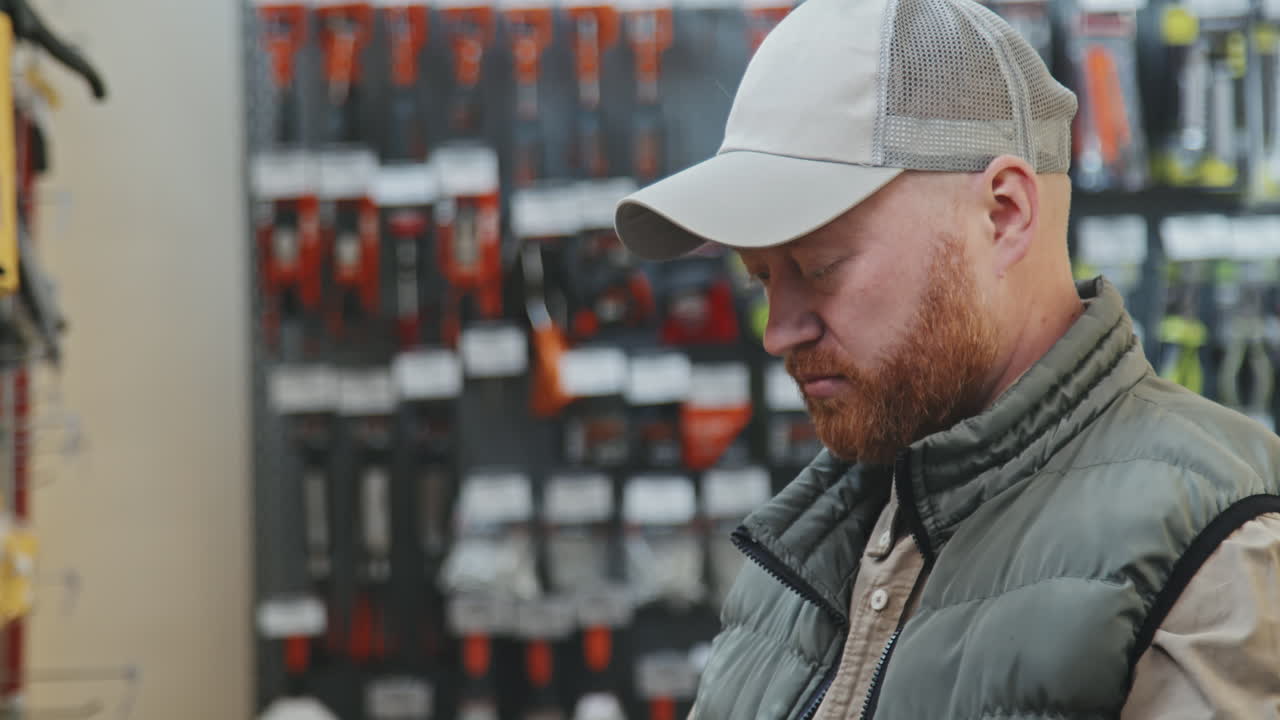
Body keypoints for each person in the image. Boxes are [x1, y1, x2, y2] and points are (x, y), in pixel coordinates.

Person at [612, 0, 1280, 717]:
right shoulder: (801, 558)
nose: (779, 332)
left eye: (820, 266)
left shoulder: (1215, 546)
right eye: (763, 277)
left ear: (1004, 214)